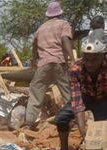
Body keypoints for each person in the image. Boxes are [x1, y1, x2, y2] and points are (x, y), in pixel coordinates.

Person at [24, 1, 75, 149]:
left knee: (36, 92)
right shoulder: (64, 24)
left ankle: (29, 124)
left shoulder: (40, 28)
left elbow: (34, 46)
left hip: (44, 64)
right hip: (59, 62)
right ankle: (72, 121)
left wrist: (34, 60)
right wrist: (71, 58)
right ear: (60, 13)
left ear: (48, 15)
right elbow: (65, 39)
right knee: (67, 93)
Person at [54, 18, 107, 150]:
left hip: (104, 98)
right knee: (61, 118)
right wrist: (82, 128)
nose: (90, 63)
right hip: (86, 96)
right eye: (87, 59)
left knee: (102, 124)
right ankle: (64, 148)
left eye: (95, 59)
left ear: (103, 55)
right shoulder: (76, 69)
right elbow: (77, 102)